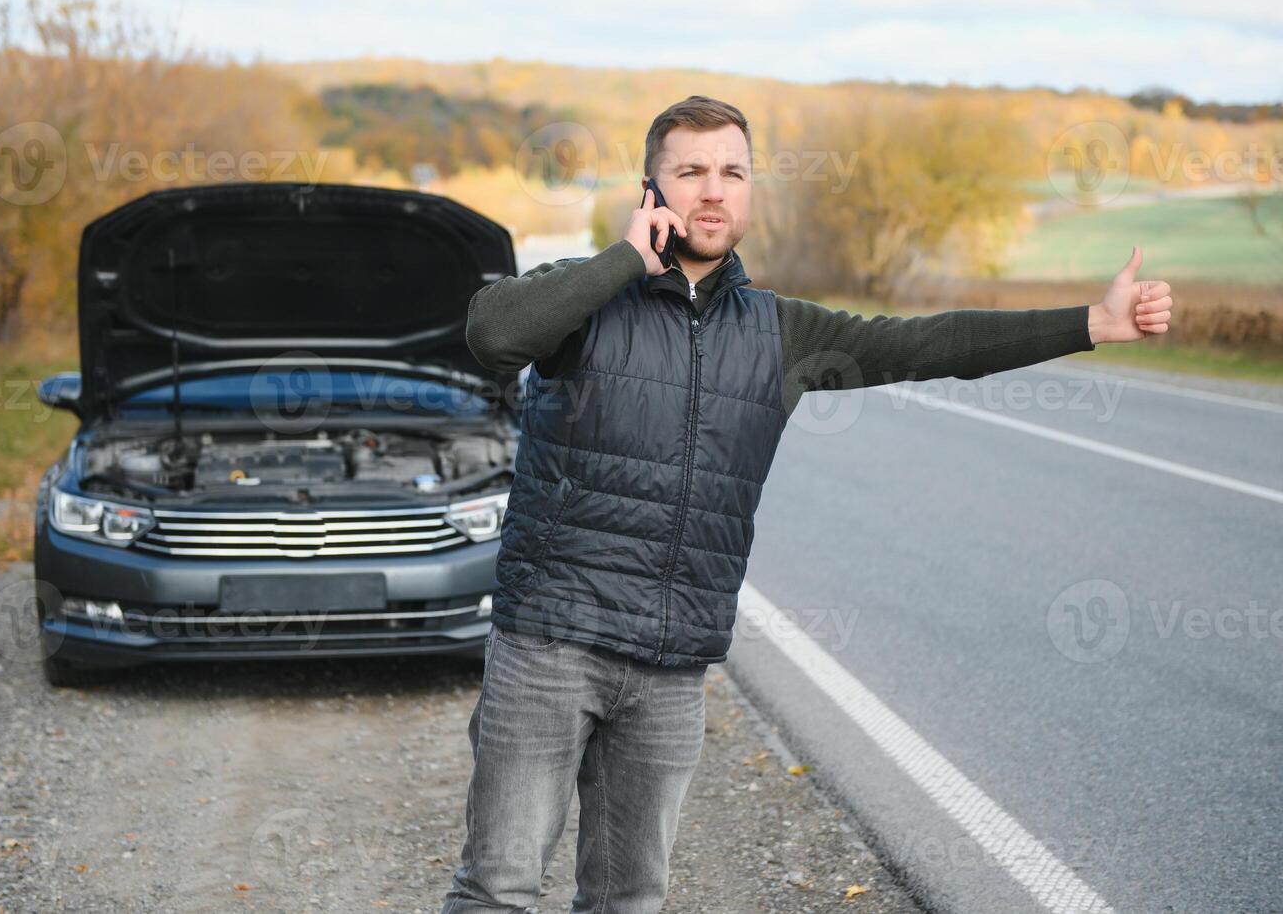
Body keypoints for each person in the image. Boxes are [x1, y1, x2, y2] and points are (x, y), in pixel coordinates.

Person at [439, 95, 1173, 913]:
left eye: (731, 173)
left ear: (749, 190)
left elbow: (930, 345)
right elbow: (492, 333)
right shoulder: (584, 301)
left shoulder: (777, 332)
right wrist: (624, 260)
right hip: (549, 645)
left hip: (670, 667)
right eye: (689, 173)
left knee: (628, 902)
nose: (712, 192)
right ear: (650, 191)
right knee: (498, 891)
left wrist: (1092, 321)